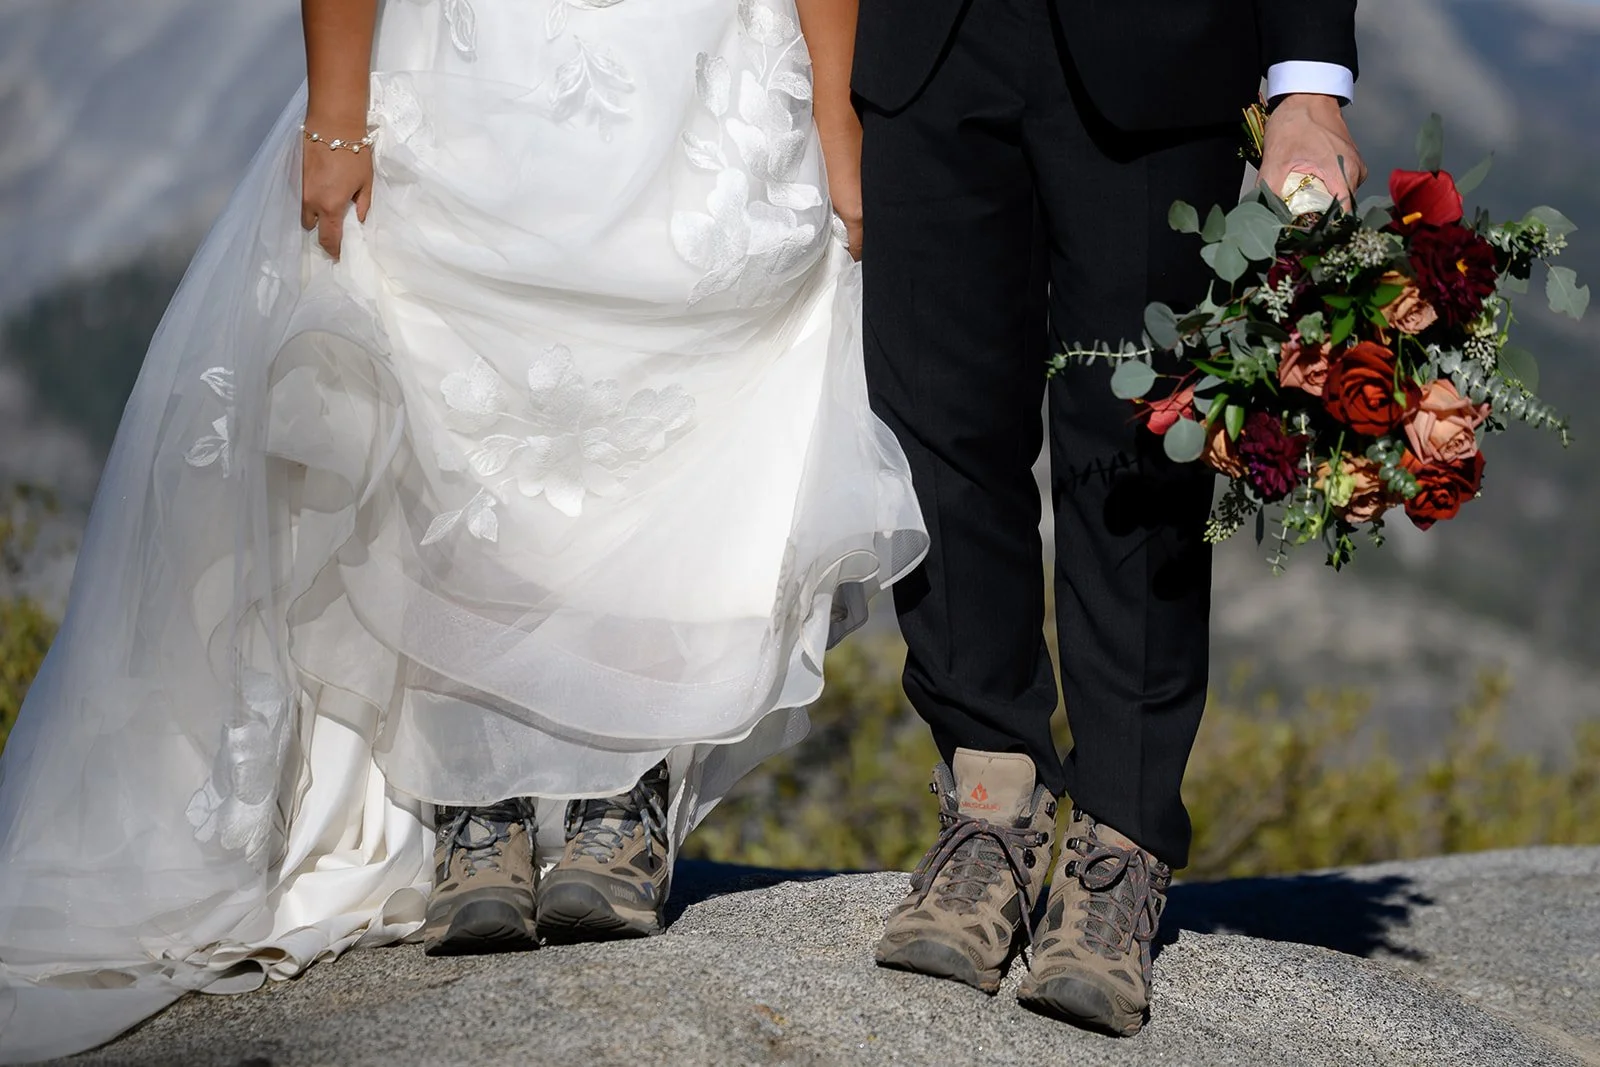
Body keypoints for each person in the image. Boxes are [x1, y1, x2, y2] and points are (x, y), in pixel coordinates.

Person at [0, 0, 926, 1060]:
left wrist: (837, 102)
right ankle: (470, 788)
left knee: (677, 386)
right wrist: (338, 114)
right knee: (453, 380)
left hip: (701, 44)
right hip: (478, 47)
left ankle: (619, 781)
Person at [856, 0, 1365, 1037]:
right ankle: (986, 805)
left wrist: (1306, 84)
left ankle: (1119, 846)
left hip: (1154, 50)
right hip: (924, 46)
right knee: (936, 426)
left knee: (1139, 441)